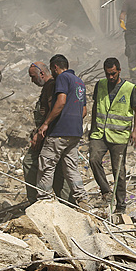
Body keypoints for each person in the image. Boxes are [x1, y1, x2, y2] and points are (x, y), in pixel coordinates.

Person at [34, 54, 89, 207]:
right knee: (71, 167)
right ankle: (82, 199)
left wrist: (46, 123)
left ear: (55, 67)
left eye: (52, 69)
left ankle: (43, 201)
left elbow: (60, 102)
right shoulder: (80, 82)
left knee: (46, 163)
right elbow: (84, 111)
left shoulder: (62, 78)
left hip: (59, 131)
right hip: (75, 132)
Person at [89, 57, 136, 213]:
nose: (110, 77)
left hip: (119, 136)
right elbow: (95, 106)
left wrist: (135, 132)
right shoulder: (100, 85)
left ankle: (120, 205)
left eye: (113, 74)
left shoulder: (128, 88)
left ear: (119, 70)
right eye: (107, 74)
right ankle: (105, 191)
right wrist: (91, 130)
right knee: (93, 159)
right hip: (99, 133)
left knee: (119, 170)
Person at [24, 62, 71, 204]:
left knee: (30, 163)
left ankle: (36, 202)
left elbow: (53, 110)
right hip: (52, 134)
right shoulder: (49, 86)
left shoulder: (51, 86)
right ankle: (68, 203)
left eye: (33, 77)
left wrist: (41, 132)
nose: (32, 80)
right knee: (56, 170)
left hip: (48, 135)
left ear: (42, 74)